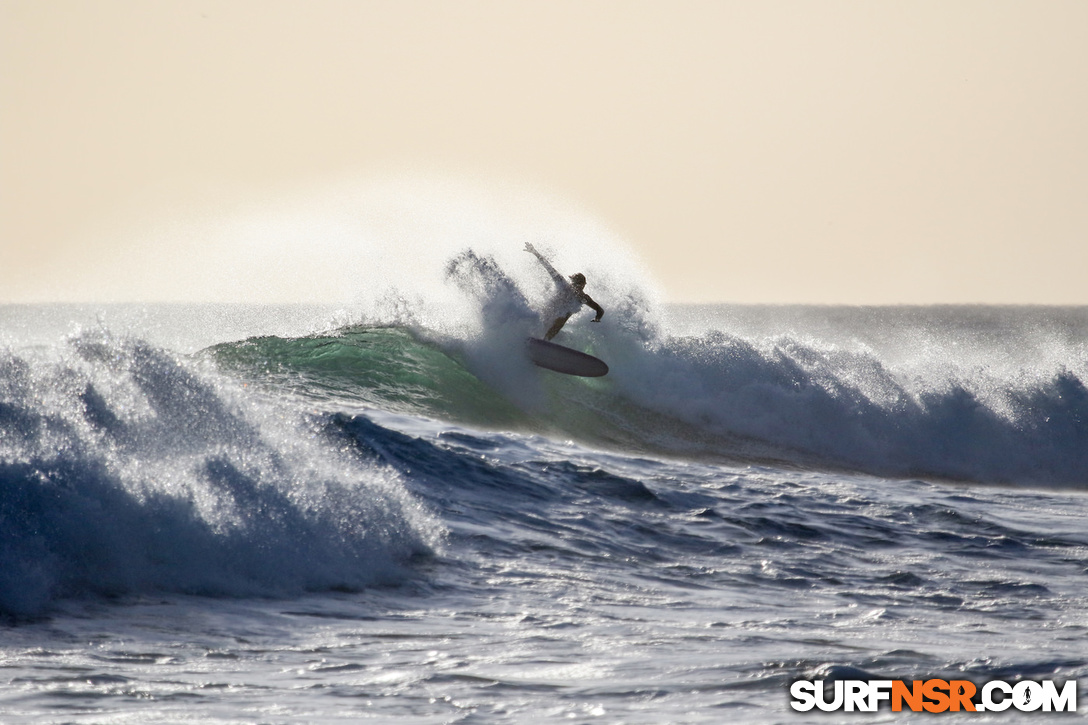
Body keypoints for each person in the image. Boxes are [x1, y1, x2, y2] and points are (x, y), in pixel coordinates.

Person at [524, 242, 603, 340]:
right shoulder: (562, 283)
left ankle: (545, 341)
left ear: (583, 285)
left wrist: (597, 319)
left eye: (580, 285)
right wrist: (535, 252)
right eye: (575, 284)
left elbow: (600, 310)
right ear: (572, 282)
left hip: (556, 322)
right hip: (546, 313)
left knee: (563, 316)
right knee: (536, 310)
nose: (577, 287)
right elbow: (548, 266)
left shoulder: (583, 298)